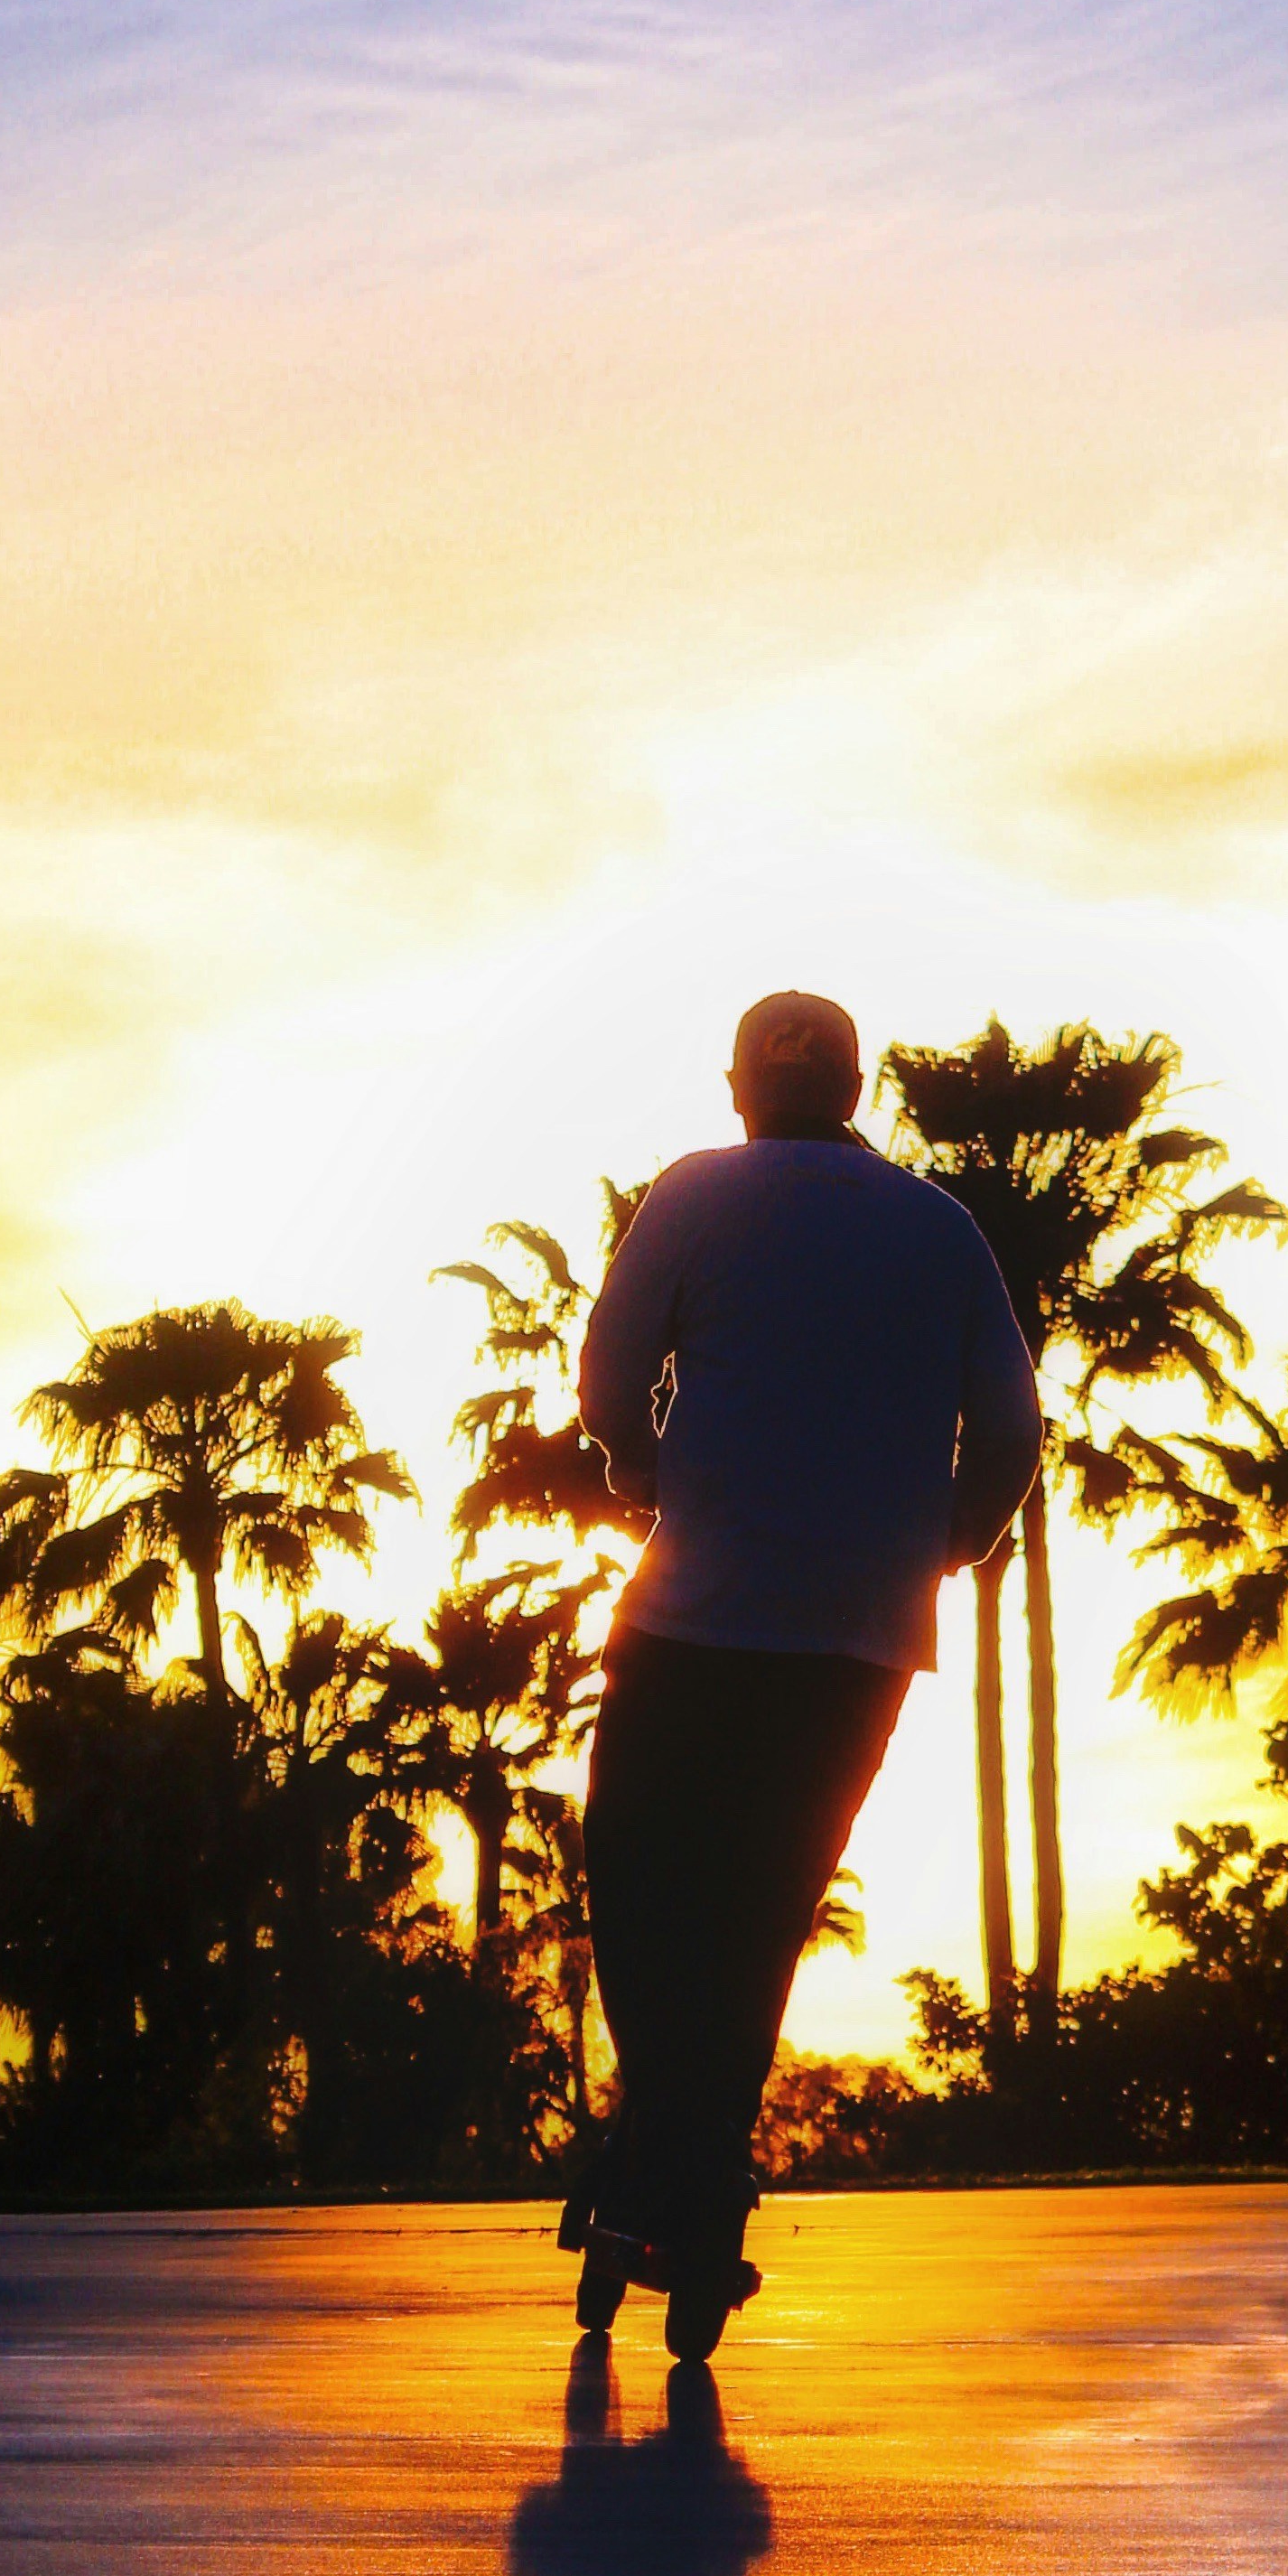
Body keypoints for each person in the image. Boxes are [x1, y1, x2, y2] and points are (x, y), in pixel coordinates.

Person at [565, 988, 1041, 2360]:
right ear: (856, 1089)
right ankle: (695, 2167)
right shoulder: (938, 1228)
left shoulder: (694, 1194)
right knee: (762, 1911)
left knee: (642, 1888)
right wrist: (951, 1540)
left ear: (738, 1089)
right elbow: (1013, 1428)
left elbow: (609, 1379)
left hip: (693, 1620)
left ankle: (665, 2160)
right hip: (857, 1645)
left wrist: (635, 1464)